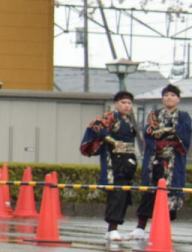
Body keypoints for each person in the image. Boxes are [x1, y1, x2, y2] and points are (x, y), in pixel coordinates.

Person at [81, 90, 143, 241]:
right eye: (123, 102)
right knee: (116, 194)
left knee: (124, 195)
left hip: (128, 161)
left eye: (129, 103)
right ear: (116, 104)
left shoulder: (130, 121)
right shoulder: (108, 118)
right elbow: (95, 129)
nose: (126, 106)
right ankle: (112, 228)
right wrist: (110, 140)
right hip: (113, 162)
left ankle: (115, 227)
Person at [137, 83, 189, 239]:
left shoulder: (184, 116)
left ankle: (163, 228)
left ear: (178, 99)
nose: (169, 98)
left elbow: (185, 135)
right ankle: (140, 227)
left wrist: (167, 131)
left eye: (173, 95)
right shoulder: (154, 114)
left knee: (171, 194)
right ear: (162, 98)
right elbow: (149, 132)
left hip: (174, 160)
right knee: (150, 191)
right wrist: (166, 132)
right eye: (166, 95)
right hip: (155, 159)